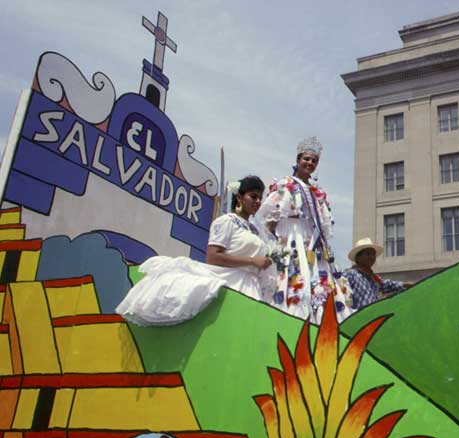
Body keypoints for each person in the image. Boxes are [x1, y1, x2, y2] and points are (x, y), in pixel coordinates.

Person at [116, 175, 272, 326]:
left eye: (260, 198)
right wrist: (252, 261)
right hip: (233, 284)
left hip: (252, 287)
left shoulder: (255, 231)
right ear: (239, 197)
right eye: (253, 196)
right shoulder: (226, 221)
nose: (258, 201)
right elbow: (213, 257)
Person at [257, 136, 352, 323]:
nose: (310, 163)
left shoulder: (316, 191)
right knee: (294, 274)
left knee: (317, 278)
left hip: (312, 241)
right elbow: (272, 217)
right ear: (298, 160)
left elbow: (323, 224)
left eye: (314, 161)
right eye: (306, 159)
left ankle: (318, 317)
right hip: (291, 235)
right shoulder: (287, 184)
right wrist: (271, 242)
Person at [343, 238, 412, 310]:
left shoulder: (374, 279)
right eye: (368, 254)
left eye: (373, 254)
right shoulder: (350, 274)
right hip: (357, 318)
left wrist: (405, 284)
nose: (371, 257)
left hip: (373, 317)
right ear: (358, 258)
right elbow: (340, 292)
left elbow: (387, 284)